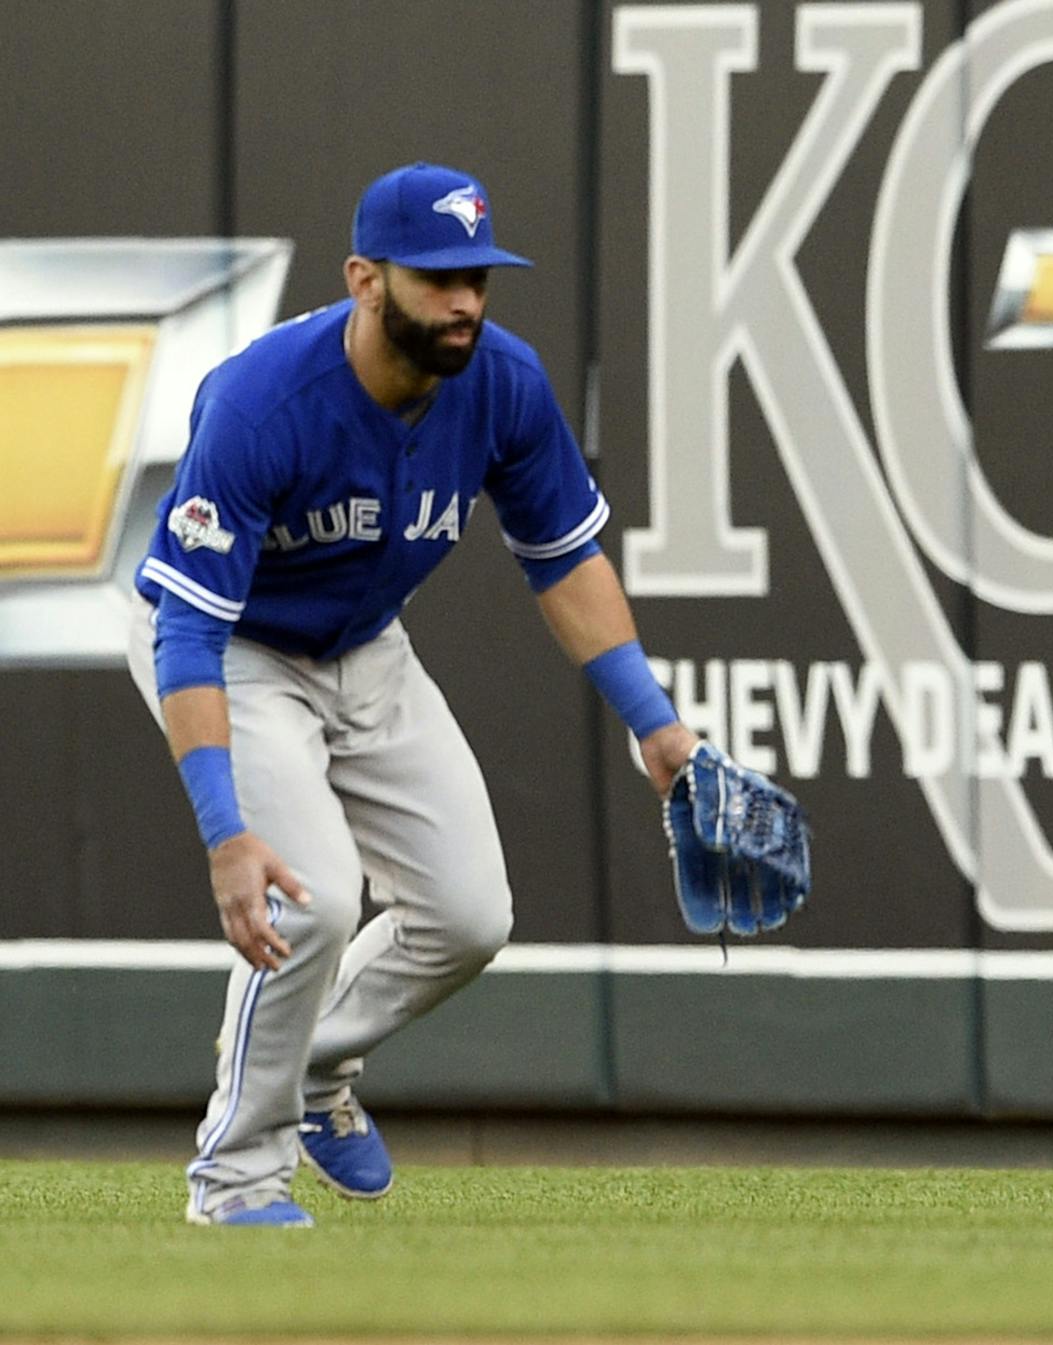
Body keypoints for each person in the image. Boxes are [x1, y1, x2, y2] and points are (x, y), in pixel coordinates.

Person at [126, 163, 697, 1227]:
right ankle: (236, 1178)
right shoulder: (263, 403)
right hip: (230, 645)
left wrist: (655, 725)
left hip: (362, 645)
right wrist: (225, 832)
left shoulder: (501, 382)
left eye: (476, 274)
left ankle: (312, 1067)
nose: (464, 300)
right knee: (316, 899)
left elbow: (566, 561)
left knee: (470, 914)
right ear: (364, 279)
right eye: (435, 276)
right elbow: (190, 626)